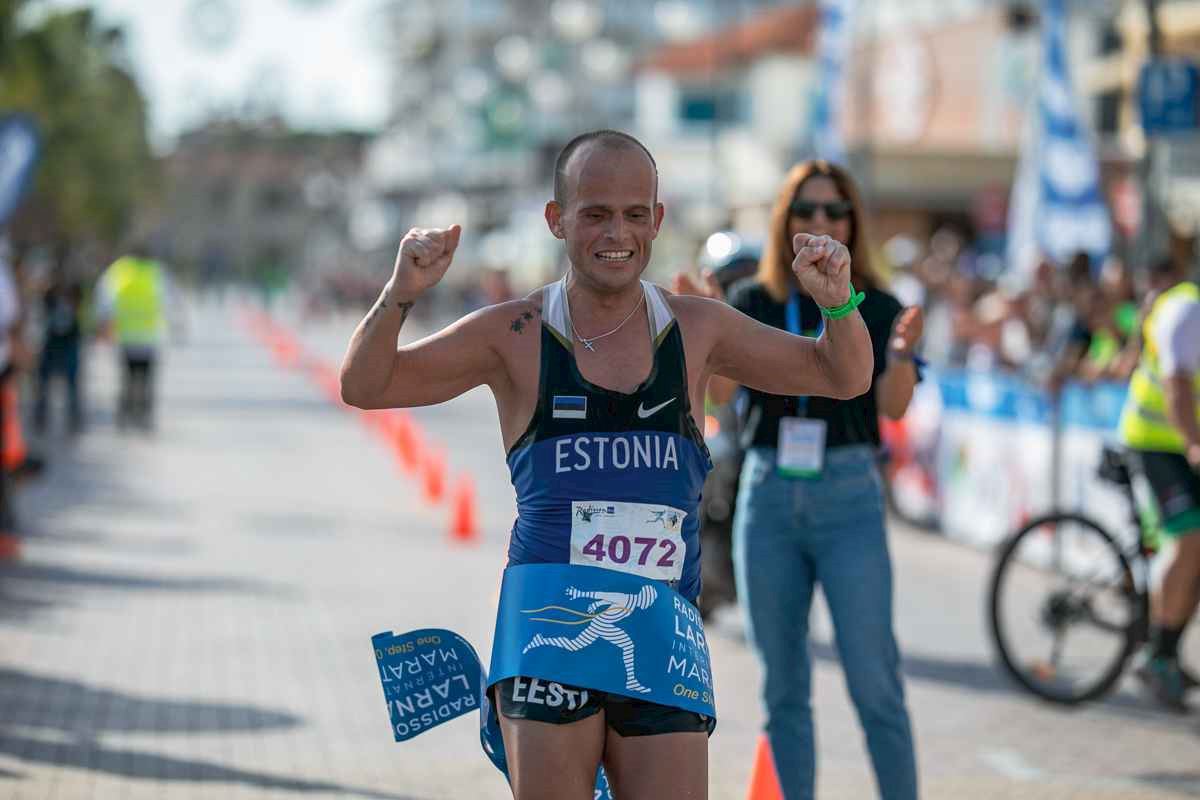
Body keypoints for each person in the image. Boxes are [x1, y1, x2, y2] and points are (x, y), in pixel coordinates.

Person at [339, 130, 874, 800]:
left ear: (657, 219)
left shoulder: (698, 328)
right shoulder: (514, 333)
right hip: (547, 631)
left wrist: (838, 301)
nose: (615, 232)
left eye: (634, 213)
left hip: (660, 631)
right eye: (594, 213)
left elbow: (843, 374)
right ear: (557, 220)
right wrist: (401, 290)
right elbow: (366, 385)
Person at [693, 160, 921, 799]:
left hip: (849, 495)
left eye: (833, 210)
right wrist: (707, 329)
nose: (820, 222)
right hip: (766, 495)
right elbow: (720, 400)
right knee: (782, 689)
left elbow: (894, 407)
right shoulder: (752, 300)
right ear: (784, 222)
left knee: (875, 682)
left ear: (852, 221)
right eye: (806, 211)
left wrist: (901, 357)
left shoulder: (877, 304)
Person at [1119, 257, 1200, 711]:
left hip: (1184, 441)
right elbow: (1177, 387)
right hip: (1157, 440)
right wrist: (1194, 444)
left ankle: (1168, 646)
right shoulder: (1188, 309)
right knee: (1189, 539)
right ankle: (1157, 653)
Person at [95, 244, 169, 431]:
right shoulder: (155, 272)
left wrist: (104, 325)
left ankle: (125, 415)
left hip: (125, 336)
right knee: (145, 380)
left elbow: (104, 299)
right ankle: (144, 416)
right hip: (148, 337)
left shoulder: (119, 270)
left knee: (127, 379)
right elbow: (167, 299)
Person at [33, 276, 85, 435]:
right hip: (52, 345)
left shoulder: (73, 297)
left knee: (71, 384)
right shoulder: (50, 297)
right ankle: (41, 415)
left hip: (68, 345)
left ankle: (73, 417)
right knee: (44, 383)